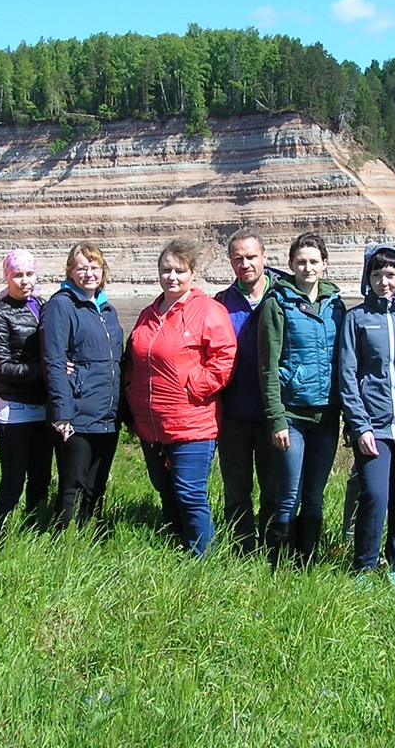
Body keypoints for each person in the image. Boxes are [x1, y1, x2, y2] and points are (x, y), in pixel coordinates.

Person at [124, 237, 236, 555]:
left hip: (192, 423)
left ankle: (204, 558)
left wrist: (193, 389)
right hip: (151, 424)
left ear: (192, 273)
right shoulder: (148, 313)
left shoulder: (209, 311)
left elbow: (224, 358)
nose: (172, 277)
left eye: (179, 270)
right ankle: (177, 549)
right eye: (165, 270)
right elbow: (134, 357)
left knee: (189, 492)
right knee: (166, 490)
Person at [339, 244, 395, 587]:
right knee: (374, 494)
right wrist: (358, 425)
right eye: (376, 274)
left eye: (390, 274)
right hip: (372, 426)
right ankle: (363, 565)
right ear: (368, 278)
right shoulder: (356, 319)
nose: (384, 282)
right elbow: (348, 375)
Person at [259, 231, 345, 567]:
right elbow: (267, 367)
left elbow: (345, 362)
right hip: (291, 416)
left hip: (326, 416)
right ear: (291, 265)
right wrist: (276, 418)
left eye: (313, 261)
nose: (307, 267)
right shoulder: (277, 304)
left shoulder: (337, 306)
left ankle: (305, 563)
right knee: (289, 494)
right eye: (301, 262)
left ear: (325, 265)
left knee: (314, 496)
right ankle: (278, 563)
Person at [41, 241, 124, 532]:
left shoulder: (108, 310)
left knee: (96, 484)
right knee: (72, 485)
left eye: (94, 267)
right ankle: (63, 542)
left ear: (103, 271)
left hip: (108, 414)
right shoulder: (61, 305)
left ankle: (90, 536)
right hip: (76, 413)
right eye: (81, 268)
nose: (88, 273)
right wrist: (61, 413)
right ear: (70, 272)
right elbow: (54, 360)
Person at [214, 227, 277, 553]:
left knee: (272, 488)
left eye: (251, 257)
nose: (245, 264)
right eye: (238, 258)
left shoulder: (282, 299)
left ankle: (269, 548)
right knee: (236, 488)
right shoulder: (221, 304)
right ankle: (240, 548)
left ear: (264, 258)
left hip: (273, 415)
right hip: (234, 415)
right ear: (230, 262)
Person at [0, 248, 54, 536]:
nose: (24, 280)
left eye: (29, 274)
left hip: (41, 406)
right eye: (17, 275)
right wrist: (49, 369)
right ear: (7, 277)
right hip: (13, 408)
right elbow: (2, 368)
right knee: (14, 478)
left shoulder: (41, 305)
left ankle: (35, 530)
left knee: (41, 476)